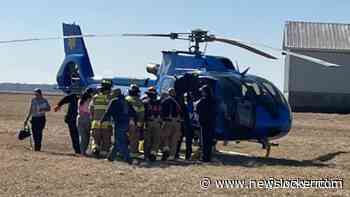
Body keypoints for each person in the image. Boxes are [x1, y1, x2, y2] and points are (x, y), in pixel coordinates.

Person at [100, 88, 131, 164]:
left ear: (115, 94)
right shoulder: (126, 101)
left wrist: (102, 120)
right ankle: (111, 158)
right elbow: (132, 112)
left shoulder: (114, 101)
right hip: (126, 123)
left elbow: (108, 112)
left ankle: (128, 159)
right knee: (118, 141)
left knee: (119, 141)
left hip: (119, 123)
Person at [89, 79, 113, 157]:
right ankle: (104, 154)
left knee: (95, 140)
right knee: (106, 141)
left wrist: (93, 118)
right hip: (106, 123)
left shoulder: (95, 97)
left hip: (95, 123)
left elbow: (91, 109)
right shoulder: (110, 98)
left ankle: (95, 149)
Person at [160, 88, 182, 161]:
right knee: (174, 140)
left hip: (168, 121)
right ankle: (172, 156)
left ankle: (166, 149)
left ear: (169, 93)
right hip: (178, 122)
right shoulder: (180, 101)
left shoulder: (166, 101)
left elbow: (162, 112)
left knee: (165, 137)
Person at [195, 85, 216, 162]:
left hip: (204, 122)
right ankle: (208, 156)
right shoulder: (213, 101)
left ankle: (204, 157)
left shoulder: (202, 101)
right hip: (212, 122)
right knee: (209, 140)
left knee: (204, 140)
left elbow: (197, 109)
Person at [142, 86, 161, 161]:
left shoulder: (144, 102)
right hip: (157, 123)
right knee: (156, 140)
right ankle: (153, 153)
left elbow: (143, 114)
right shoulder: (159, 102)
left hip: (148, 123)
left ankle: (146, 156)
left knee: (147, 140)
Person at [125, 84, 145, 156]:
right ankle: (133, 152)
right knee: (134, 138)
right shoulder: (139, 101)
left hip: (124, 122)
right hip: (134, 122)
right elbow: (142, 113)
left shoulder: (126, 99)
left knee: (125, 137)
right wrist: (140, 123)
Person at [77, 88, 93, 155]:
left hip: (79, 117)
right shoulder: (90, 100)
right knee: (87, 136)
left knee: (82, 136)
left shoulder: (80, 100)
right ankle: (84, 151)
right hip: (87, 118)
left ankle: (82, 151)